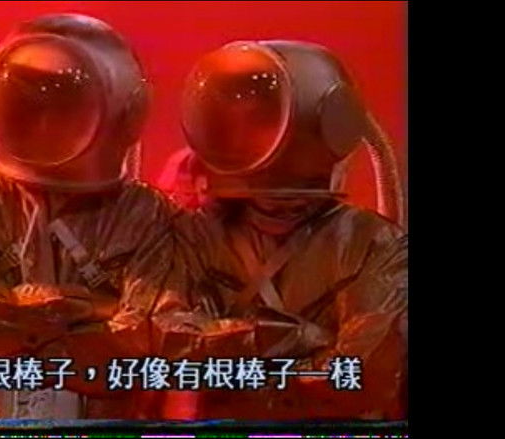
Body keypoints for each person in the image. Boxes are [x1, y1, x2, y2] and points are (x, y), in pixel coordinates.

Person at [0, 13, 176, 419]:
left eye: (66, 101)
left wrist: (21, 313)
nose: (47, 114)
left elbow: (144, 333)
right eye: (33, 95)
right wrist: (85, 311)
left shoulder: (145, 213)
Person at [156, 40, 408, 420]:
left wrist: (239, 350)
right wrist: (301, 339)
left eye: (265, 123)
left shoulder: (373, 244)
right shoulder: (195, 236)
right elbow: (167, 337)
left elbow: (361, 376)